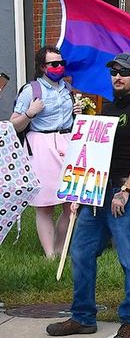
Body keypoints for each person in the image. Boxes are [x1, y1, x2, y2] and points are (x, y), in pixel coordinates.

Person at [46, 53, 130, 338]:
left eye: (124, 72)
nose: (117, 77)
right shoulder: (106, 109)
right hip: (95, 193)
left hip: (124, 193)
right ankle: (83, 317)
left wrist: (127, 190)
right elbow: (93, 153)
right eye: (114, 72)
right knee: (81, 253)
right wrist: (80, 193)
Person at [10, 46, 80, 258]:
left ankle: (60, 249)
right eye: (54, 64)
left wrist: (78, 112)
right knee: (45, 205)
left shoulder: (68, 89)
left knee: (72, 203)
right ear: (42, 67)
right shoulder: (31, 91)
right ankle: (50, 256)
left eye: (61, 63)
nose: (59, 67)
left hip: (67, 143)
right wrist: (30, 114)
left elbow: (73, 120)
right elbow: (14, 125)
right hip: (40, 146)